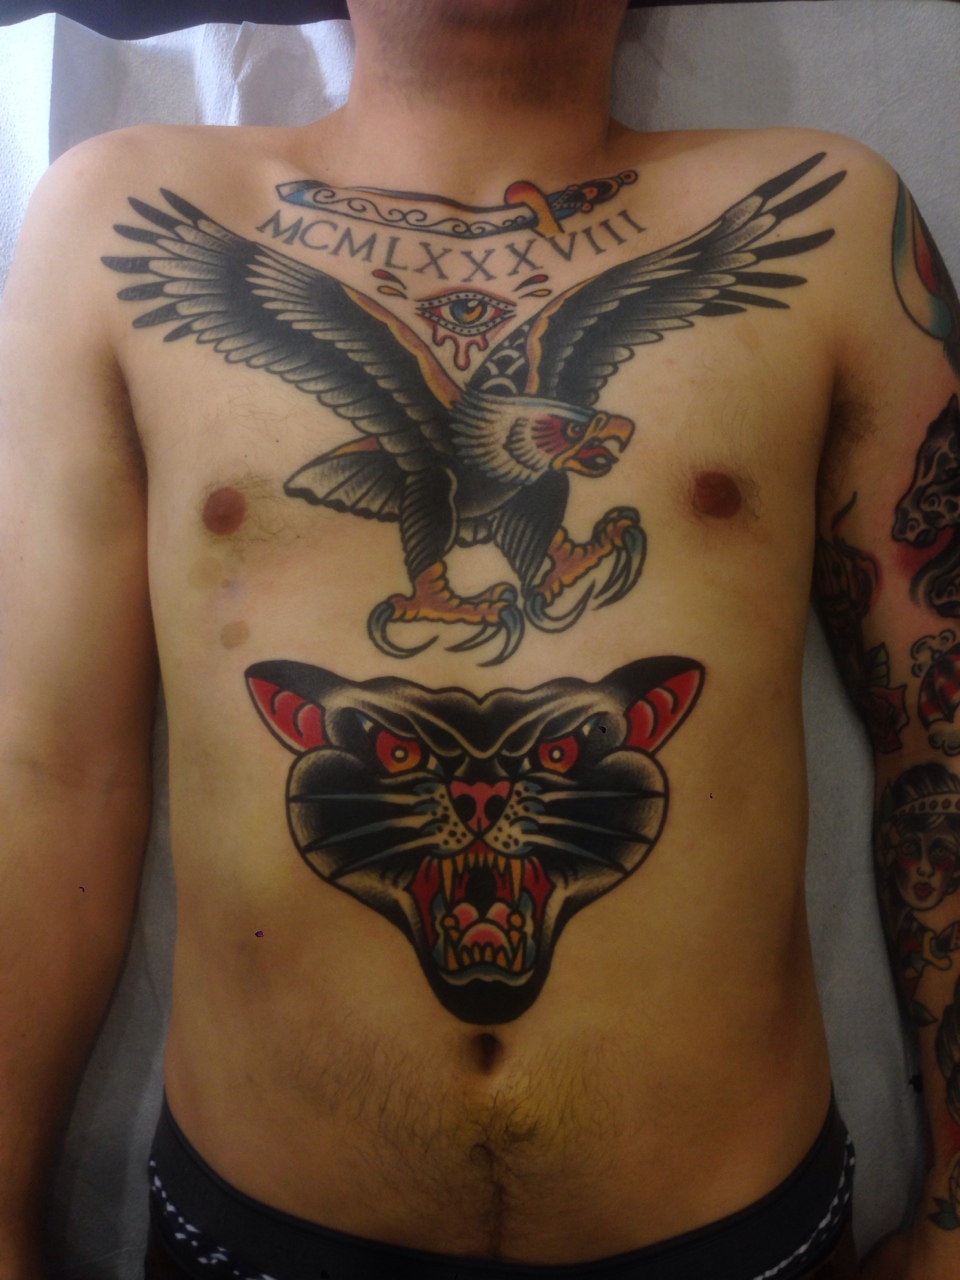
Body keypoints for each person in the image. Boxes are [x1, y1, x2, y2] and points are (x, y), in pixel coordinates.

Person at [1, 1, 958, 1276]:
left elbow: (943, 739)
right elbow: (49, 772)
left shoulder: (829, 213)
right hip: (261, 1228)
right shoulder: (119, 210)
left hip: (733, 1231)